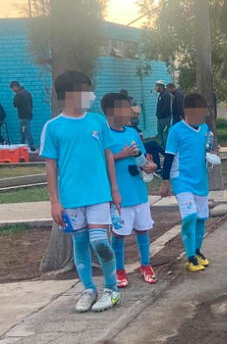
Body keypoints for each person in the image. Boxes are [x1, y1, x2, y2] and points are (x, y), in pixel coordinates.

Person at [40, 70, 121, 312]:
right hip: (71, 198)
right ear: (69, 95)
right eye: (84, 90)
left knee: (100, 242)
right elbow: (50, 166)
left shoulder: (97, 121)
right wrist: (54, 201)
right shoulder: (53, 127)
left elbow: (108, 156)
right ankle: (88, 289)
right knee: (81, 243)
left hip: (99, 194)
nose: (89, 95)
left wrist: (115, 190)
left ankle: (111, 289)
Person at [102, 93, 158, 288]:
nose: (131, 111)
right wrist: (121, 154)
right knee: (119, 234)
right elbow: (100, 162)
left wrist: (149, 165)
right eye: (126, 108)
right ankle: (118, 269)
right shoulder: (103, 133)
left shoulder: (133, 132)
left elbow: (141, 157)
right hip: (119, 196)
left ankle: (146, 265)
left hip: (139, 191)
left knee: (143, 230)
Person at [159, 93, 213, 272]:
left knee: (201, 219)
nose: (203, 115)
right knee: (189, 216)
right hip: (182, 181)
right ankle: (190, 257)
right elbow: (168, 157)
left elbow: (207, 149)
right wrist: (165, 181)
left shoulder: (205, 128)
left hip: (201, 181)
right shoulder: (176, 131)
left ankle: (197, 251)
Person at [10, 81, 34, 151]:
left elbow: (15, 104)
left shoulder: (19, 94)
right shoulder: (27, 92)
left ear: (15, 87)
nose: (13, 90)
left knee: (25, 130)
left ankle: (30, 146)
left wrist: (14, 97)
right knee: (23, 130)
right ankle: (23, 144)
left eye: (12, 89)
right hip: (28, 115)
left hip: (23, 116)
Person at [155, 80, 174, 146]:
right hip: (160, 118)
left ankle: (166, 147)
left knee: (165, 133)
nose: (156, 88)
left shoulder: (165, 95)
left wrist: (160, 115)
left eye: (157, 86)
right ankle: (162, 145)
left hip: (165, 119)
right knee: (159, 132)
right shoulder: (161, 94)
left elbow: (165, 108)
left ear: (161, 86)